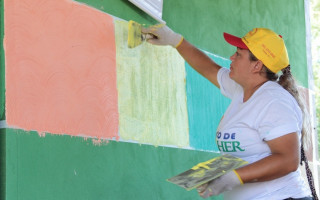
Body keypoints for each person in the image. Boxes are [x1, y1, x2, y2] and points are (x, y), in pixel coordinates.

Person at [141, 24, 318, 200]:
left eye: (239, 54)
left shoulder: (274, 101)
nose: (231, 57)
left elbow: (288, 161)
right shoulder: (241, 89)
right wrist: (175, 40)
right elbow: (209, 68)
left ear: (256, 65)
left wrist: (235, 177)